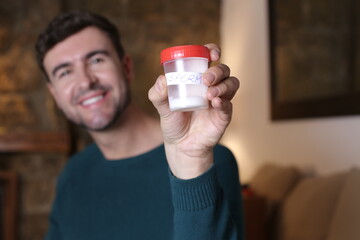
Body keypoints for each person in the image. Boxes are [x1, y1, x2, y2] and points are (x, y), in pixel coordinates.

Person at [35, 10, 244, 240]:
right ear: (54, 94)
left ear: (126, 67)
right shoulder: (73, 174)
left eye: (96, 60)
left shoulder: (210, 160)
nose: (85, 81)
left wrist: (192, 162)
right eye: (65, 72)